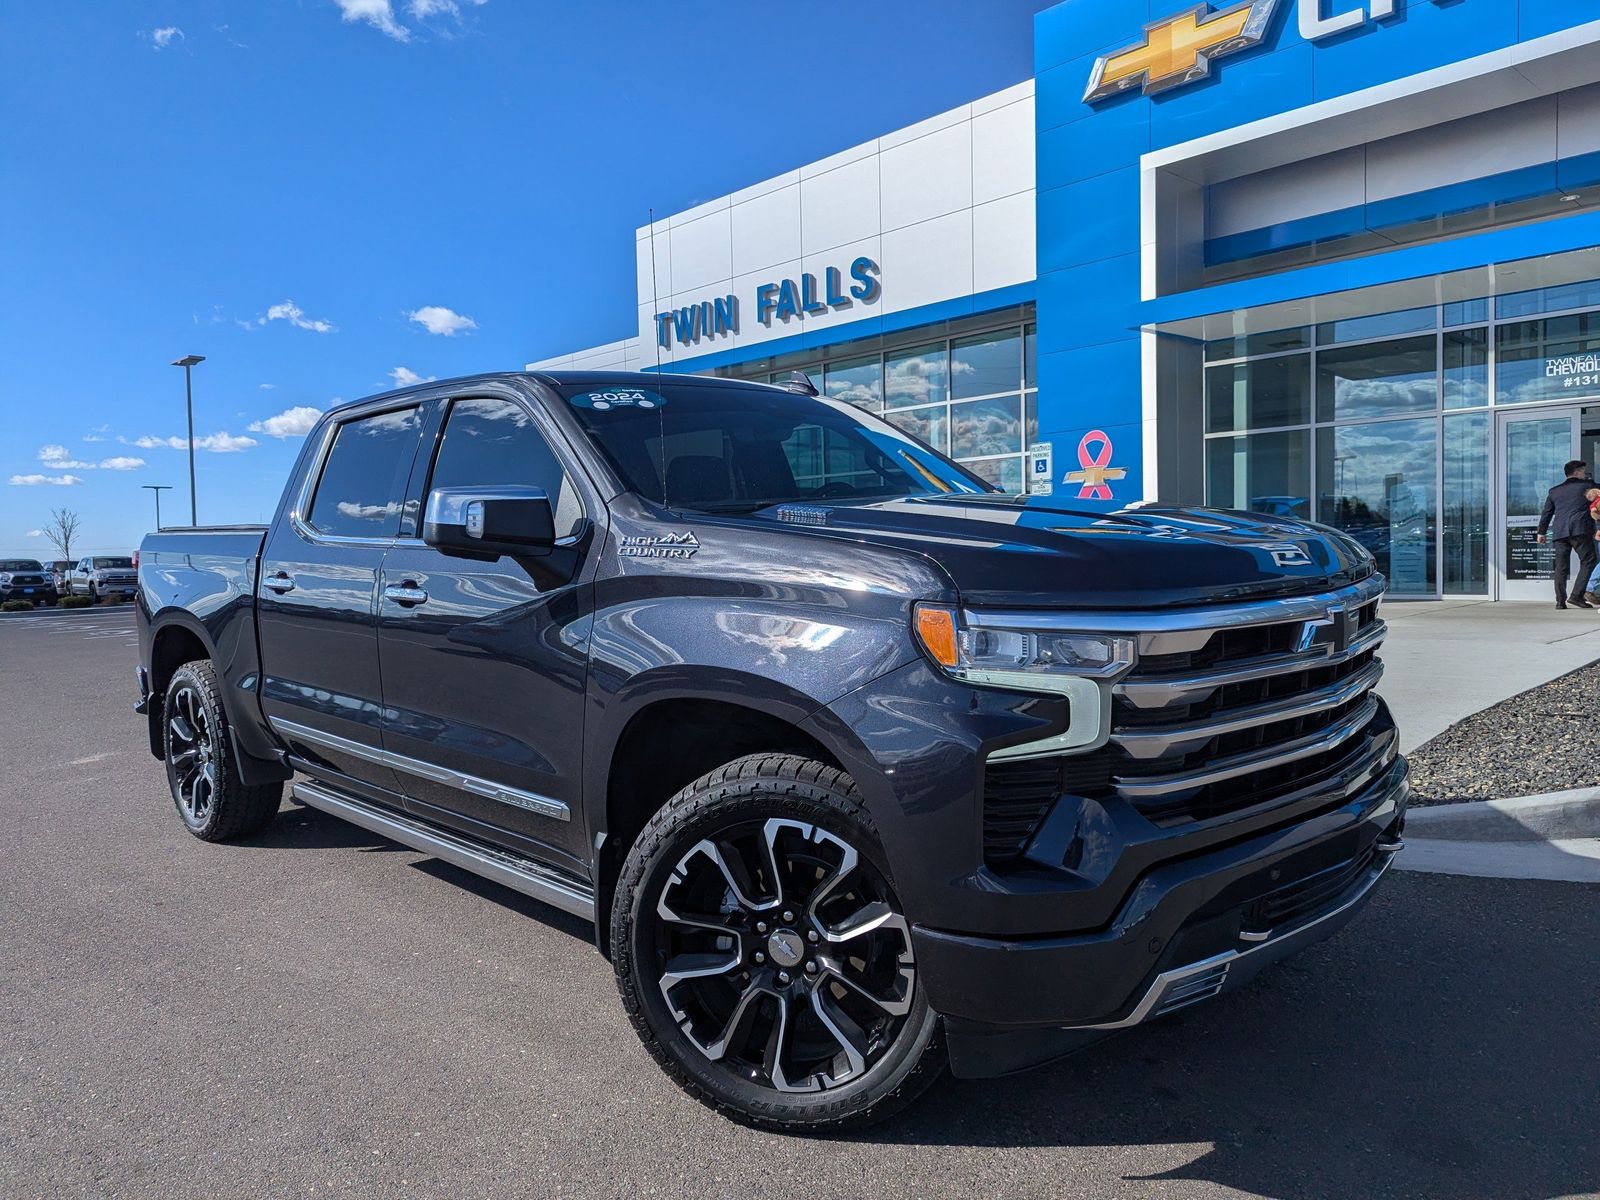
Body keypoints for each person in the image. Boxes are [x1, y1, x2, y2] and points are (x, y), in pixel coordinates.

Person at [1537, 459, 1598, 610]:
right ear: (1577, 472)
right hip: (1580, 530)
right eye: (1583, 471)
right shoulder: (1588, 486)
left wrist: (1541, 533)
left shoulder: (1554, 491)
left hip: (1560, 532)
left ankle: (1560, 601)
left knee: (1561, 566)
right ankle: (1576, 596)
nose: (1584, 474)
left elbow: (1546, 513)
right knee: (1589, 560)